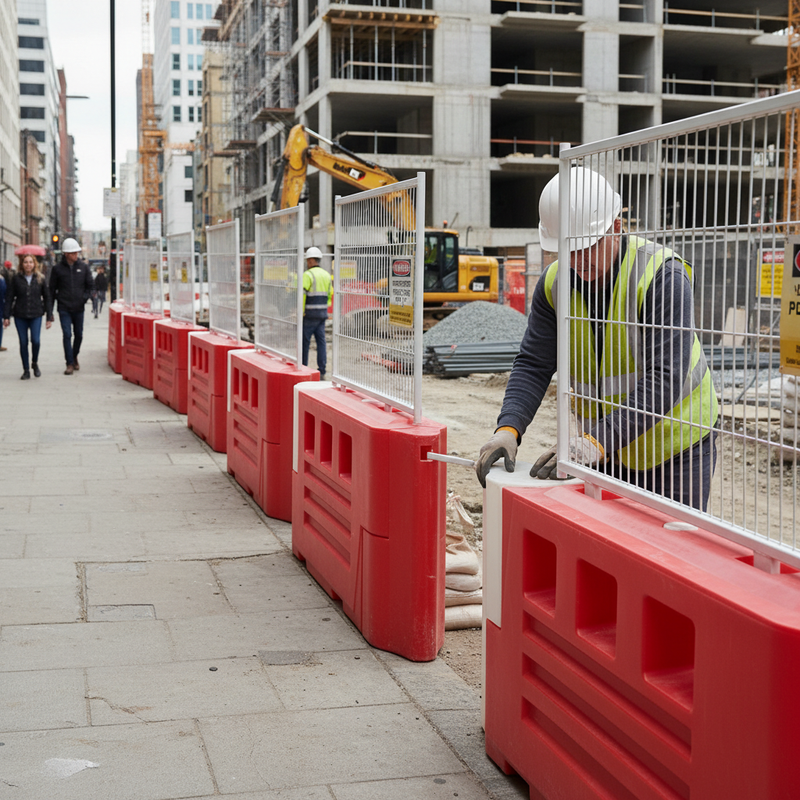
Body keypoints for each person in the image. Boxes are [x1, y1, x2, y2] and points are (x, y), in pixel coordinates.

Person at [475, 166, 719, 511]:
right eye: (565, 249)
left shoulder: (662, 276)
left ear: (616, 228)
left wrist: (594, 442)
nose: (576, 260)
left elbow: (666, 377)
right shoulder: (554, 284)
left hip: (675, 447)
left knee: (669, 555)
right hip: (603, 447)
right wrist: (509, 428)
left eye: (587, 246)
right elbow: (534, 363)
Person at [3, 254, 53, 379]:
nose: (28, 264)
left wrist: (49, 316)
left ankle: (34, 363)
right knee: (23, 342)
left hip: (36, 314)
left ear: (34, 264)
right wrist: (6, 316)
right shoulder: (16, 279)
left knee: (35, 341)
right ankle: (26, 370)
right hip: (20, 315)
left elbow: (47, 298)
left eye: (30, 262)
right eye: (25, 262)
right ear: (22, 264)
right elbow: (9, 297)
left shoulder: (40, 278)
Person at [48, 237, 93, 375]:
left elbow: (90, 286)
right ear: (66, 254)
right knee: (67, 334)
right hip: (64, 308)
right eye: (73, 253)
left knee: (78, 335)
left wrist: (84, 299)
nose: (76, 255)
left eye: (77, 253)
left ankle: (74, 355)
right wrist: (50, 312)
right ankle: (69, 363)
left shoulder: (84, 268)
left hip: (79, 308)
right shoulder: (57, 269)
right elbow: (51, 290)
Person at [301, 246, 333, 379]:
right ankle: (322, 370)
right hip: (322, 314)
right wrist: (325, 307)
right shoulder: (326, 275)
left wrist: (301, 311)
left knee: (304, 342)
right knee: (321, 343)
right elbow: (330, 294)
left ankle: (303, 367)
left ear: (310, 260)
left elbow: (302, 295)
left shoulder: (308, 275)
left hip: (309, 315)